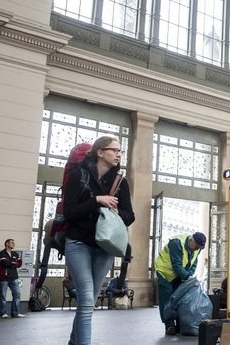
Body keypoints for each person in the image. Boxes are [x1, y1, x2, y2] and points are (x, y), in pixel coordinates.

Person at [63, 136, 135, 345]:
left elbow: (130, 216)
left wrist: (116, 211)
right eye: (115, 150)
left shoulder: (121, 182)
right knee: (86, 300)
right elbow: (70, 214)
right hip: (78, 243)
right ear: (100, 153)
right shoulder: (79, 176)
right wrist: (96, 201)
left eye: (120, 151)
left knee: (88, 302)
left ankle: (73, 342)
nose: (119, 154)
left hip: (105, 247)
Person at [154, 232, 206, 335]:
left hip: (179, 274)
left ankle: (179, 324)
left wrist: (189, 275)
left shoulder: (197, 248)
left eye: (199, 247)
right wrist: (187, 277)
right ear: (191, 241)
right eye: (196, 246)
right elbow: (176, 264)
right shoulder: (176, 243)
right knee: (166, 297)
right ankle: (169, 325)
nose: (197, 249)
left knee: (180, 298)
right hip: (165, 272)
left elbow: (194, 263)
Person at [0, 238, 25, 318]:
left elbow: (19, 263)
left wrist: (11, 263)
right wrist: (13, 263)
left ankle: (15, 313)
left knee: (17, 295)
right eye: (12, 243)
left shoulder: (15, 253)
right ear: (7, 244)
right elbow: (4, 263)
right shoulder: (1, 254)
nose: (14, 244)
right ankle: (3, 313)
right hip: (4, 278)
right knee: (3, 296)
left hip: (14, 278)